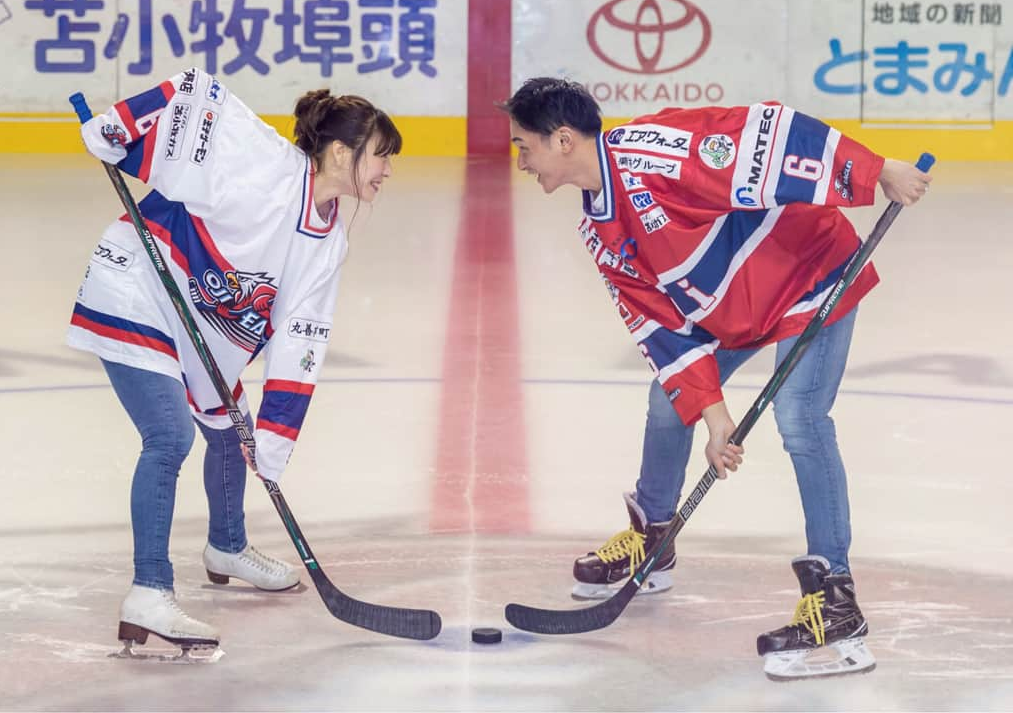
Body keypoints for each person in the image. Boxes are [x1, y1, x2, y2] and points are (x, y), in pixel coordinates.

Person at [499, 77, 929, 679]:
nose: (519, 160)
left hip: (809, 273)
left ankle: (836, 600)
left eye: (525, 145)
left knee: (800, 418)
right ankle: (654, 536)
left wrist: (875, 169)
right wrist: (713, 412)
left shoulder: (651, 151)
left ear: (563, 140)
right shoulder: (599, 229)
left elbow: (765, 134)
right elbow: (660, 329)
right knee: (664, 402)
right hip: (737, 306)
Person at [69, 67, 400, 656]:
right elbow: (197, 92)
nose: (387, 171)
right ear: (341, 151)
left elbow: (301, 339)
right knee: (169, 437)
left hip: (198, 316)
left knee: (231, 432)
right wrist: (122, 129)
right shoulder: (267, 163)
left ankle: (226, 546)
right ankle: (148, 590)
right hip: (141, 284)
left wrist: (272, 442)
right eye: (380, 156)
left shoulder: (330, 243)